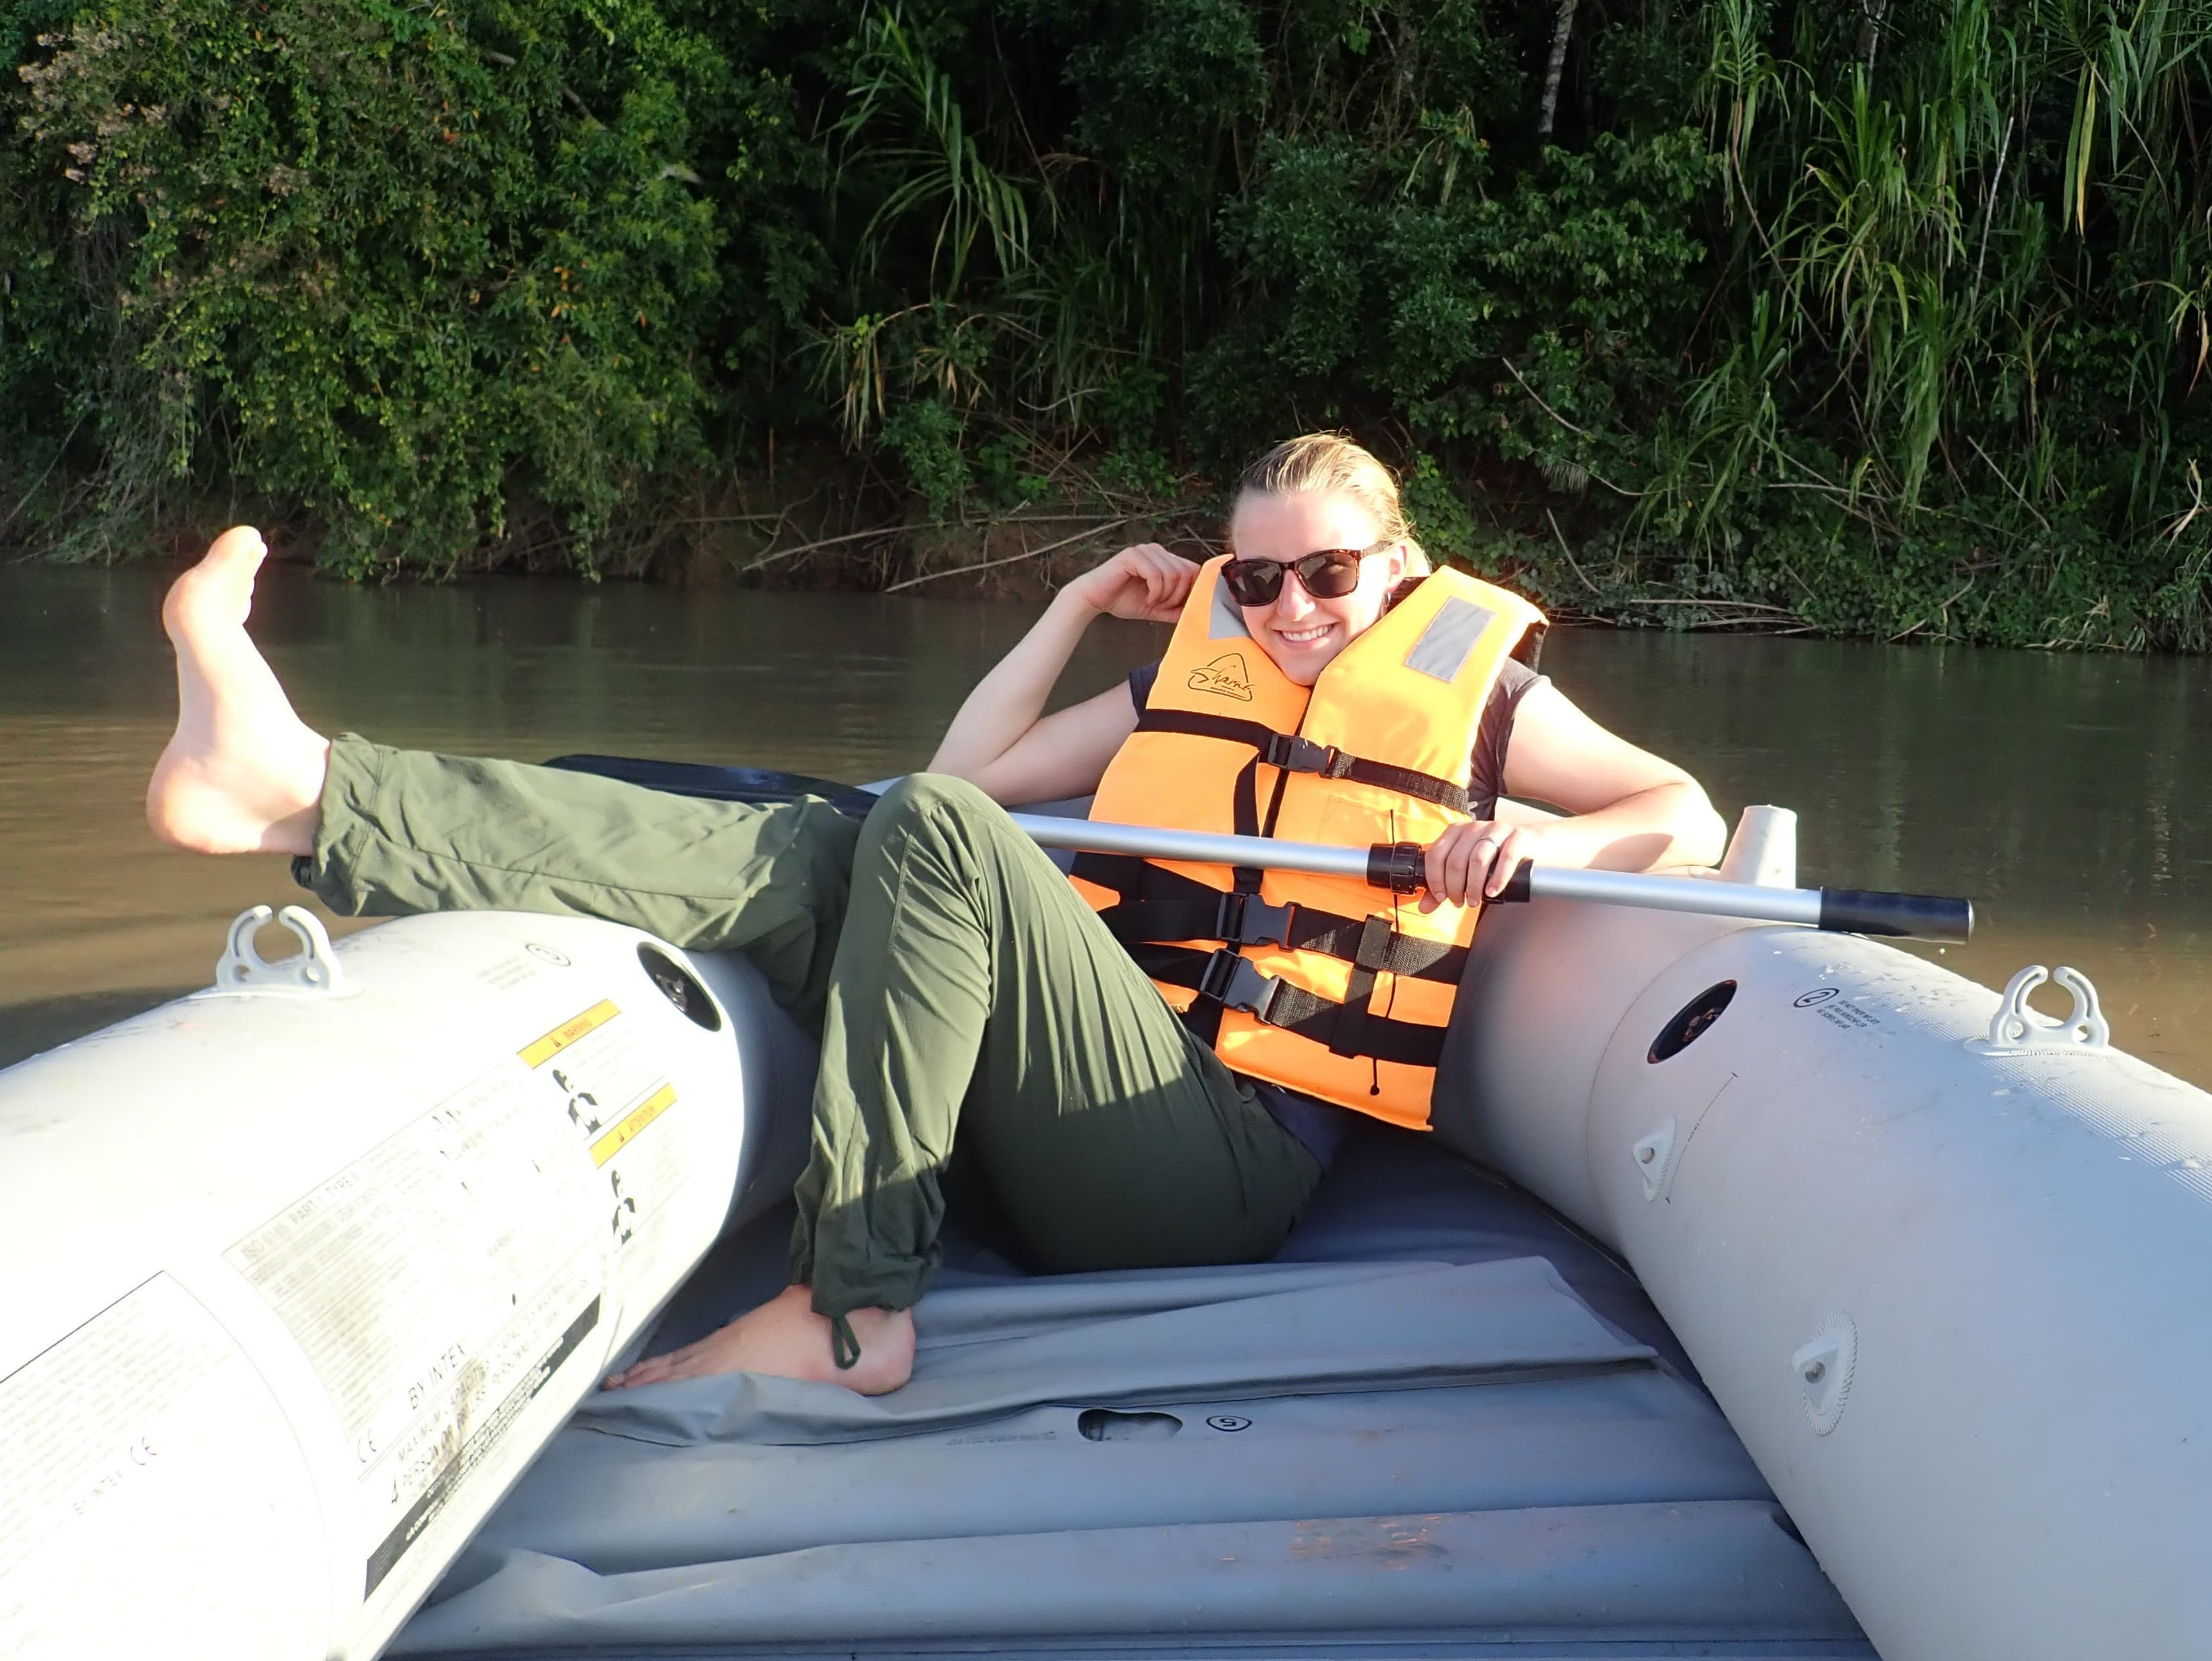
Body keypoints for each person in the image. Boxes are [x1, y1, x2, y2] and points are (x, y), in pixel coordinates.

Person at [146, 432, 1725, 1396]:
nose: (1292, 614)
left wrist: (1519, 851)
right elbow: (956, 780)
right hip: (1077, 1119)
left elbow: (1683, 813)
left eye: (1325, 578)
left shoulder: (1486, 701)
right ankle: (300, 797)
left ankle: (853, 1310)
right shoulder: (1192, 686)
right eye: (1255, 584)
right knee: (831, 846)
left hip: (1214, 1172)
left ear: (1395, 571)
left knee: (914, 839)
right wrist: (1068, 607)